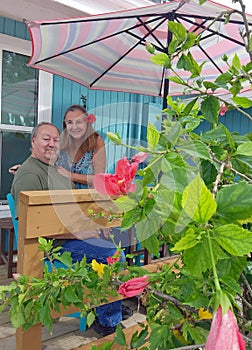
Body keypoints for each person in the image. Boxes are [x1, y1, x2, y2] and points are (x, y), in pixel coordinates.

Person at [10, 121, 128, 336]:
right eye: (46, 139)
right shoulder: (29, 175)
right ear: (33, 141)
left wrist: (96, 225)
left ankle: (106, 304)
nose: (52, 144)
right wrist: (78, 233)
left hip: (71, 237)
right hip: (53, 248)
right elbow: (32, 227)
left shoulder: (55, 171)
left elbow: (74, 209)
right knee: (112, 255)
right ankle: (108, 322)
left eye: (56, 140)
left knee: (117, 246)